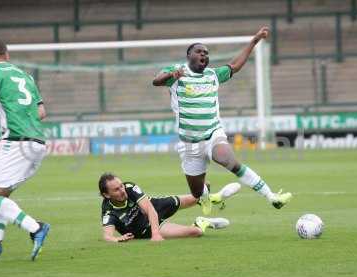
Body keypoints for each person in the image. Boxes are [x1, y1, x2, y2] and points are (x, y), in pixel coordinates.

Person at [152, 27, 292, 214]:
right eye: (199, 51)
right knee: (195, 192)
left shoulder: (213, 75)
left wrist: (254, 41)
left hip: (212, 134)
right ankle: (207, 195)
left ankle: (271, 196)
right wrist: (172, 75)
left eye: (206, 53)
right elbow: (156, 81)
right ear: (189, 55)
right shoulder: (177, 72)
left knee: (229, 161)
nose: (204, 54)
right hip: (189, 144)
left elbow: (235, 66)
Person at [0, 39, 50, 263]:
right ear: (7, 54)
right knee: (0, 196)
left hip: (16, 140)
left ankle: (36, 228)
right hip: (37, 143)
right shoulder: (27, 76)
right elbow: (41, 112)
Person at [98, 173, 241, 242]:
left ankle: (213, 198)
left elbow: (149, 208)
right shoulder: (109, 212)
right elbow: (107, 235)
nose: (122, 190)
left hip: (154, 207)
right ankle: (201, 222)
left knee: (194, 198)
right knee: (195, 233)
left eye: (121, 185)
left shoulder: (130, 188)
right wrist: (117, 239)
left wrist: (156, 235)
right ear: (106, 194)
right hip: (145, 228)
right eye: (116, 189)